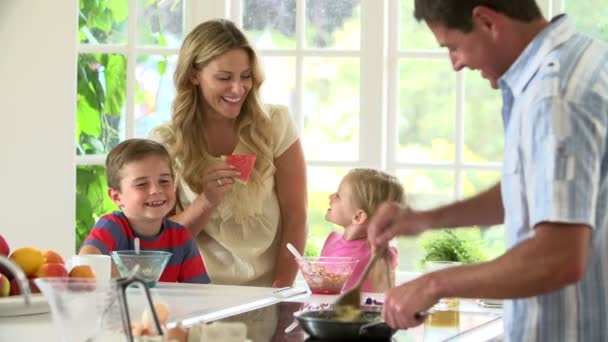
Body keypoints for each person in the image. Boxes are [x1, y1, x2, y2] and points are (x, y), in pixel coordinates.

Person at [368, 1, 608, 340]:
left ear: (486, 21)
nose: (455, 63)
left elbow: (560, 256)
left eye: (453, 47)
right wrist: (424, 219)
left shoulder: (554, 97)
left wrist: (435, 284)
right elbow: (536, 188)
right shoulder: (585, 57)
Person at [150, 19, 307, 287]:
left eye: (245, 76)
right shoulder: (166, 141)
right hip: (199, 294)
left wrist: (281, 292)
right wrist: (206, 201)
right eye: (224, 78)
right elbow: (164, 239)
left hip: (269, 290)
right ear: (194, 75)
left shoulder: (275, 123)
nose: (238, 89)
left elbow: (296, 216)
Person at [80, 138, 210, 284]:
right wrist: (114, 274)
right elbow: (86, 261)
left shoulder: (181, 238)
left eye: (164, 181)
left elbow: (201, 292)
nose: (156, 190)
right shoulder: (112, 227)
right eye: (141, 184)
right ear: (117, 197)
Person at [321, 168, 404, 293]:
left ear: (358, 216)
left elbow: (385, 297)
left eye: (338, 196)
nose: (330, 196)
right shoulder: (331, 239)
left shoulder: (381, 254)